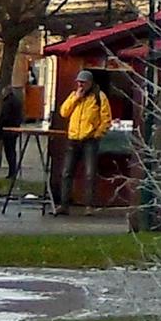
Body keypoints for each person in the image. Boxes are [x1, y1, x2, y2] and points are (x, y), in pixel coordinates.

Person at [51, 70, 113, 214]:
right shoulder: (74, 95)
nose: (80, 85)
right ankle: (64, 204)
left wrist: (97, 134)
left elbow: (106, 119)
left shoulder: (99, 97)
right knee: (67, 172)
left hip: (89, 140)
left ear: (90, 83)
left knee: (90, 173)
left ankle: (89, 205)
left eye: (83, 83)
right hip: (73, 139)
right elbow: (64, 112)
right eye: (79, 82)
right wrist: (75, 98)